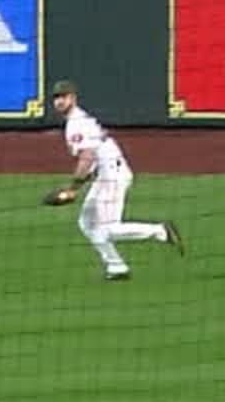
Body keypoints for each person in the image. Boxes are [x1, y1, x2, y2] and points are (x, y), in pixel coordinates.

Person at [48, 80, 182, 282]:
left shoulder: (76, 124)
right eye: (56, 97)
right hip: (106, 174)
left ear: (73, 98)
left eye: (63, 97)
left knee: (108, 228)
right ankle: (116, 266)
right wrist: (75, 188)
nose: (59, 101)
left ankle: (159, 231)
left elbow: (87, 158)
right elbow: (91, 163)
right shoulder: (78, 120)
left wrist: (72, 189)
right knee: (87, 222)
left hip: (112, 176)